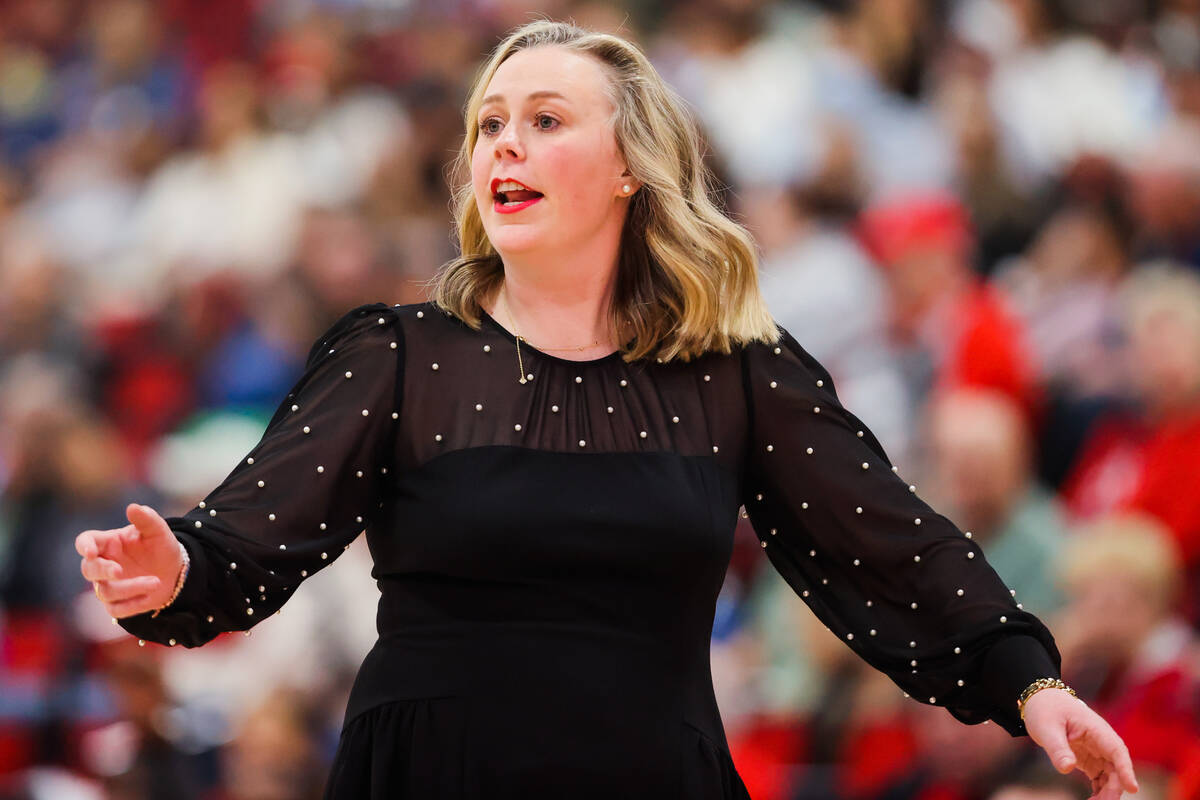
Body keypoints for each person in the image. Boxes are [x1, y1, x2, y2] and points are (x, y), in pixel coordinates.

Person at [75, 19, 1139, 800]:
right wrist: (176, 573)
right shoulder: (396, 356)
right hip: (429, 775)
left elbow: (890, 546)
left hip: (649, 770)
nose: (504, 144)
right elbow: (245, 542)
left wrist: (1030, 684)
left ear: (631, 165)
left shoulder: (736, 371)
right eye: (490, 123)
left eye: (545, 120)